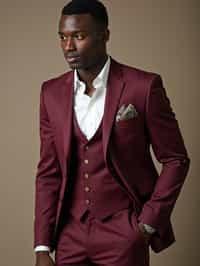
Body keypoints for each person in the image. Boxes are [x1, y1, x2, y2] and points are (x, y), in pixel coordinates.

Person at [34, 0, 190, 265]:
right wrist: (42, 246)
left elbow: (176, 159)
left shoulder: (143, 86)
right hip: (69, 234)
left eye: (79, 36)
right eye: (63, 37)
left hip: (124, 232)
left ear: (105, 35)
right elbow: (49, 172)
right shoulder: (51, 93)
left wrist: (146, 225)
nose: (68, 47)